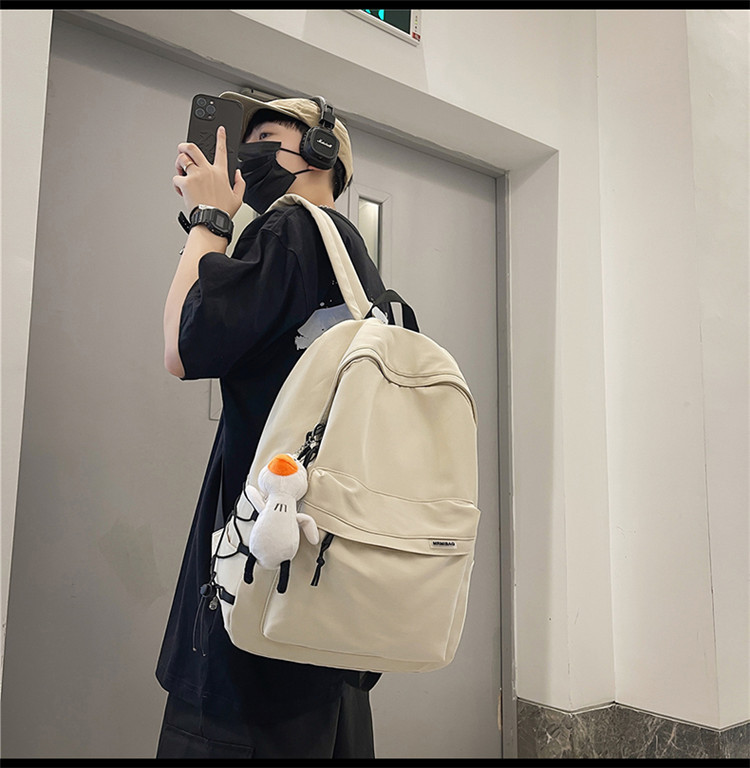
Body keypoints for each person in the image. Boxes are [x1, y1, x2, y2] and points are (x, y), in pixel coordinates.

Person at [155, 93, 387, 759]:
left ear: (319, 151)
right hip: (324, 607)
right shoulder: (355, 265)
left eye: (265, 139)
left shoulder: (288, 230)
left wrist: (209, 221)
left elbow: (181, 348)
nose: (247, 154)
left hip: (253, 605)